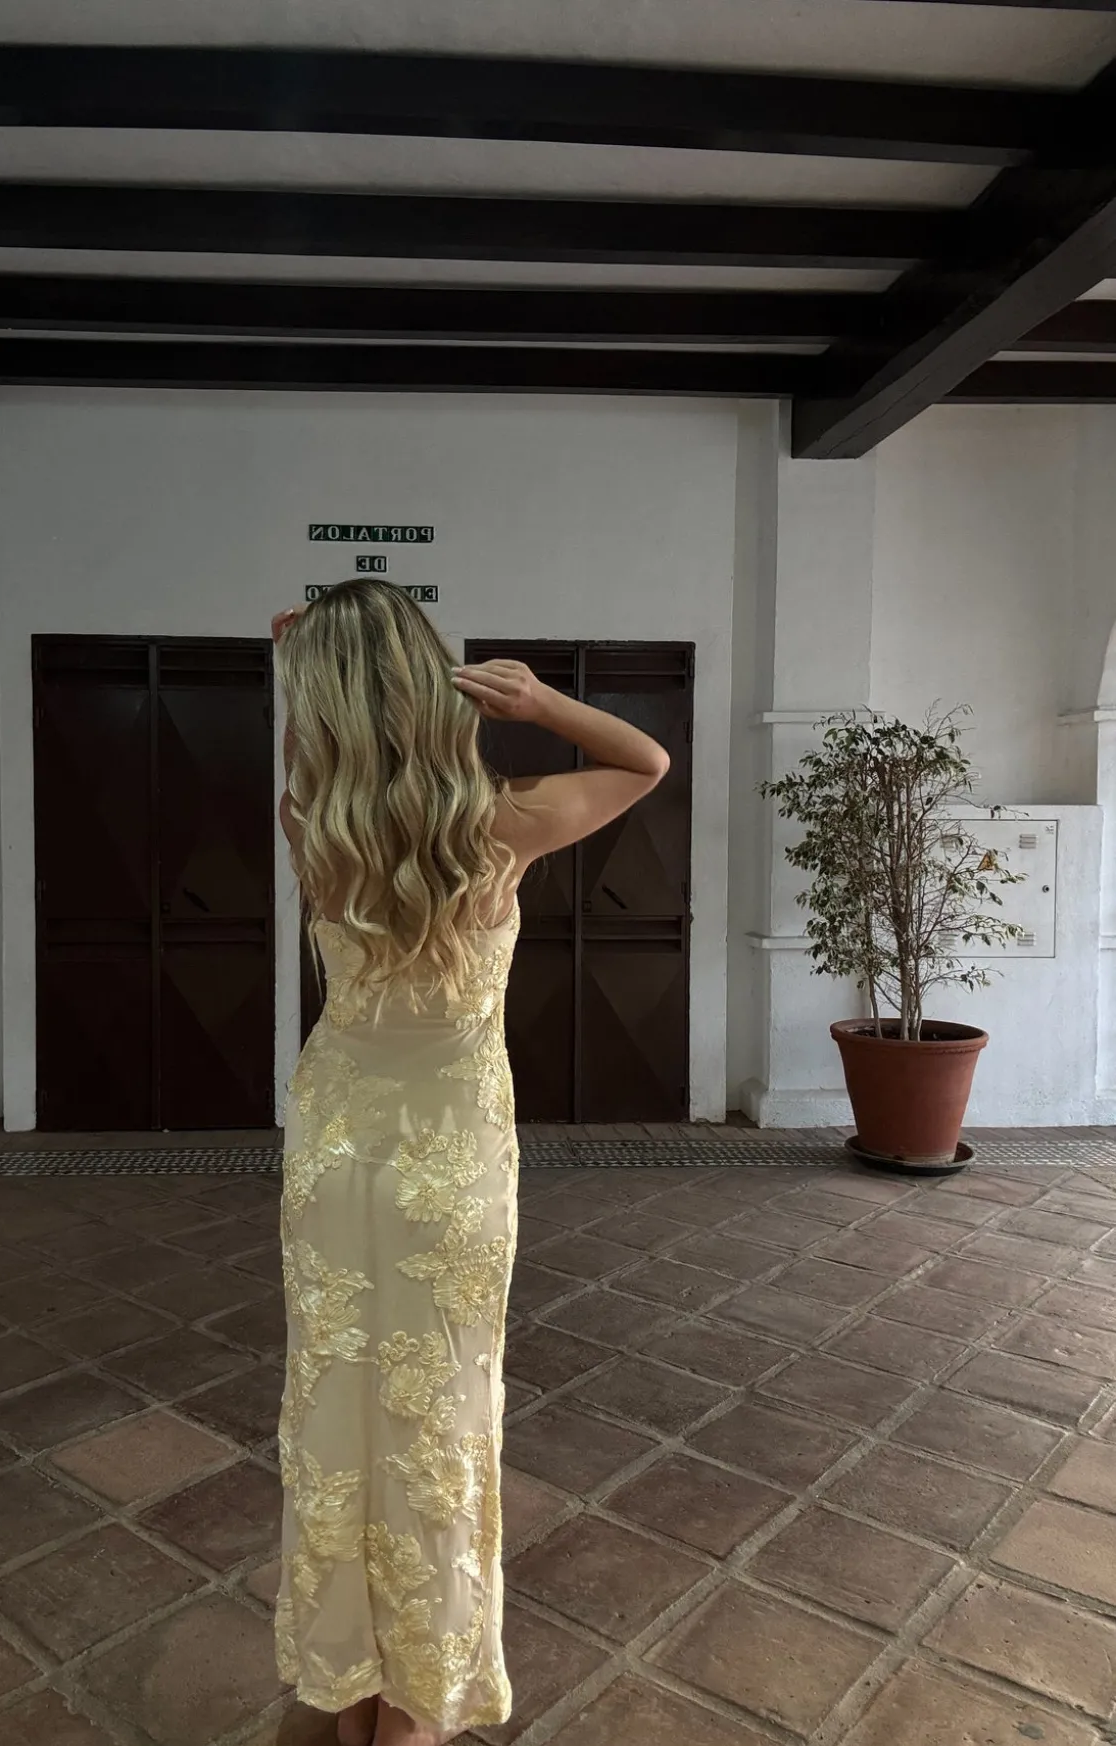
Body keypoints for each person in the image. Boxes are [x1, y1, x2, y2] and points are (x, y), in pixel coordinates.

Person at [271, 581, 670, 1746]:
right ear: (430, 686)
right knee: (438, 1417)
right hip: (449, 1154)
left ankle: (347, 1683)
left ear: (325, 707)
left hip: (337, 1147)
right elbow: (644, 762)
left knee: (337, 1406)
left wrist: (304, 668)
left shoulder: (308, 818)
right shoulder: (505, 823)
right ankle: (415, 1704)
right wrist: (538, 701)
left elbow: (313, 751)